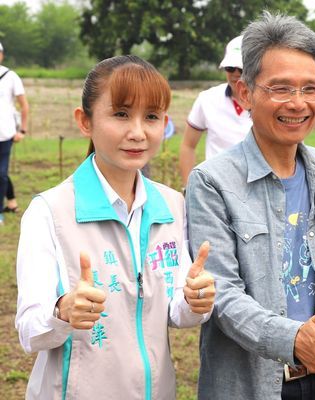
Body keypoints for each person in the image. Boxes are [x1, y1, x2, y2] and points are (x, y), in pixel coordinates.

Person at [186, 12, 315, 400]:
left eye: (310, 89)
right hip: (247, 382)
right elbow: (224, 296)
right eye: (281, 89)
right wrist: (292, 338)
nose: (298, 104)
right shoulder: (212, 181)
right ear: (246, 92)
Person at [15, 55, 215, 400]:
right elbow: (29, 332)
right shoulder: (49, 212)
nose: (137, 132)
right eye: (121, 114)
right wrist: (63, 311)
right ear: (85, 121)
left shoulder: (171, 205)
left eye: (151, 117)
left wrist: (195, 301)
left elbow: (175, 312)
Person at [179, 35, 253, 186]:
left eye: (242, 69)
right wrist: (189, 188)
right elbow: (188, 145)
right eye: (230, 68)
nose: (236, 73)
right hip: (216, 188)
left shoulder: (268, 103)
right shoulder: (207, 99)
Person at [0, 41, 28, 225]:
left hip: (5, 133)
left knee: (1, 173)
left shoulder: (11, 77)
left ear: (2, 55)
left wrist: (22, 130)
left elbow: (24, 106)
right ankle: (12, 202)